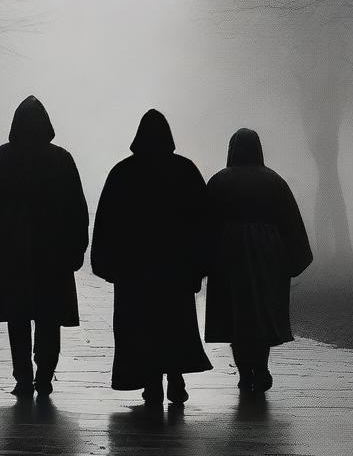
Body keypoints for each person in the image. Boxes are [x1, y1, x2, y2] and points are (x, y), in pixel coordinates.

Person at [0, 96, 89, 398]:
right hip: (54, 255)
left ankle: (23, 376)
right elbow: (77, 210)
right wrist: (77, 248)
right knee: (49, 318)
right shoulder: (62, 160)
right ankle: (45, 374)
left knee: (17, 317)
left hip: (10, 255)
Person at [91, 109, 212, 405]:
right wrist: (200, 264)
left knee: (140, 327)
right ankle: (175, 377)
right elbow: (203, 221)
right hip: (176, 268)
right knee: (175, 324)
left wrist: (106, 264)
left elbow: (107, 222)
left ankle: (150, 381)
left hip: (135, 270)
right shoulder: (185, 171)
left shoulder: (122, 173)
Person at [205, 128, 312, 393]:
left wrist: (201, 260)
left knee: (236, 315)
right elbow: (291, 223)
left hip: (228, 256)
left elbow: (204, 224)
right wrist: (294, 259)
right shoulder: (274, 182)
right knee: (261, 314)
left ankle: (244, 372)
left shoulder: (219, 181)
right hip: (268, 255)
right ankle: (261, 367)